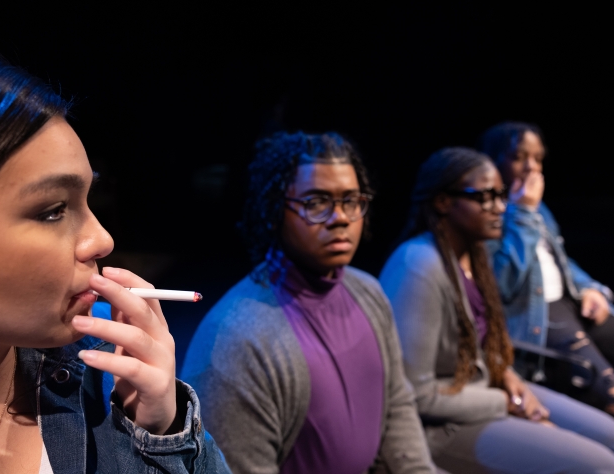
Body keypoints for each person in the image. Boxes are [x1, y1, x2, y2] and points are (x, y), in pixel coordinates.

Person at [0, 33, 229, 474]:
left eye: (90, 202)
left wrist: (161, 434)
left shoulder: (112, 383)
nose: (102, 240)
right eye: (52, 211)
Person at [181, 132, 437, 474]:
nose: (341, 218)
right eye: (316, 203)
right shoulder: (236, 339)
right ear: (274, 210)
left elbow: (397, 403)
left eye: (351, 200)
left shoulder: (369, 292)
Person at [380, 147, 614, 474]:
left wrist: (508, 378)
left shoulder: (473, 256)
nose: (500, 207)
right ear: (443, 202)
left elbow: (477, 349)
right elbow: (415, 395)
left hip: (483, 391)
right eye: (485, 197)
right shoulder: (419, 266)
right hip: (439, 428)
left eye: (501, 195)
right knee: (602, 467)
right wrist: (506, 403)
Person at [478, 122, 614, 453]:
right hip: (536, 315)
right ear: (493, 161)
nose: (531, 167)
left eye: (538, 159)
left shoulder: (538, 207)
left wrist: (590, 288)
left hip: (569, 302)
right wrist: (522, 212)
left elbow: (558, 260)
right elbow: (503, 284)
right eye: (519, 157)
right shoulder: (490, 211)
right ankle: (607, 458)